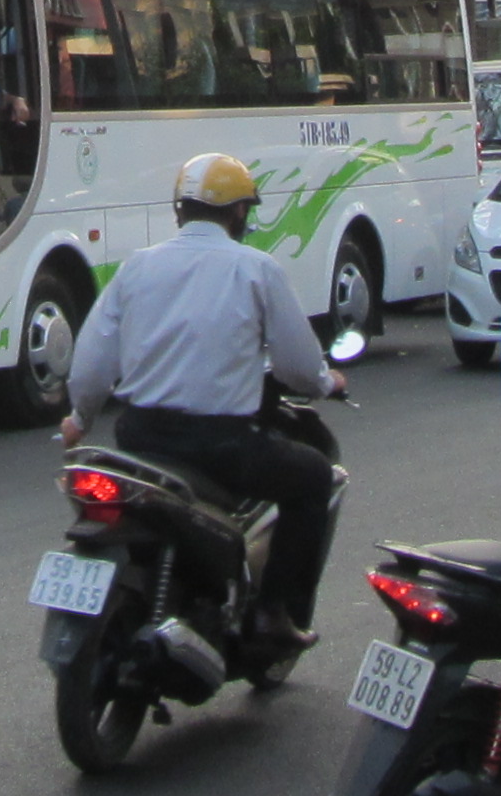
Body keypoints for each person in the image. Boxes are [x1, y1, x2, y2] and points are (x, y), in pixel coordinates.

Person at [61, 154, 340, 655]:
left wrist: (80, 418)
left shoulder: (137, 267)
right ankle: (276, 612)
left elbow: (92, 360)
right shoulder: (256, 269)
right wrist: (325, 381)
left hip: (139, 438)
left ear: (180, 211)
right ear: (238, 214)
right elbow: (299, 365)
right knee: (314, 478)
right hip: (220, 447)